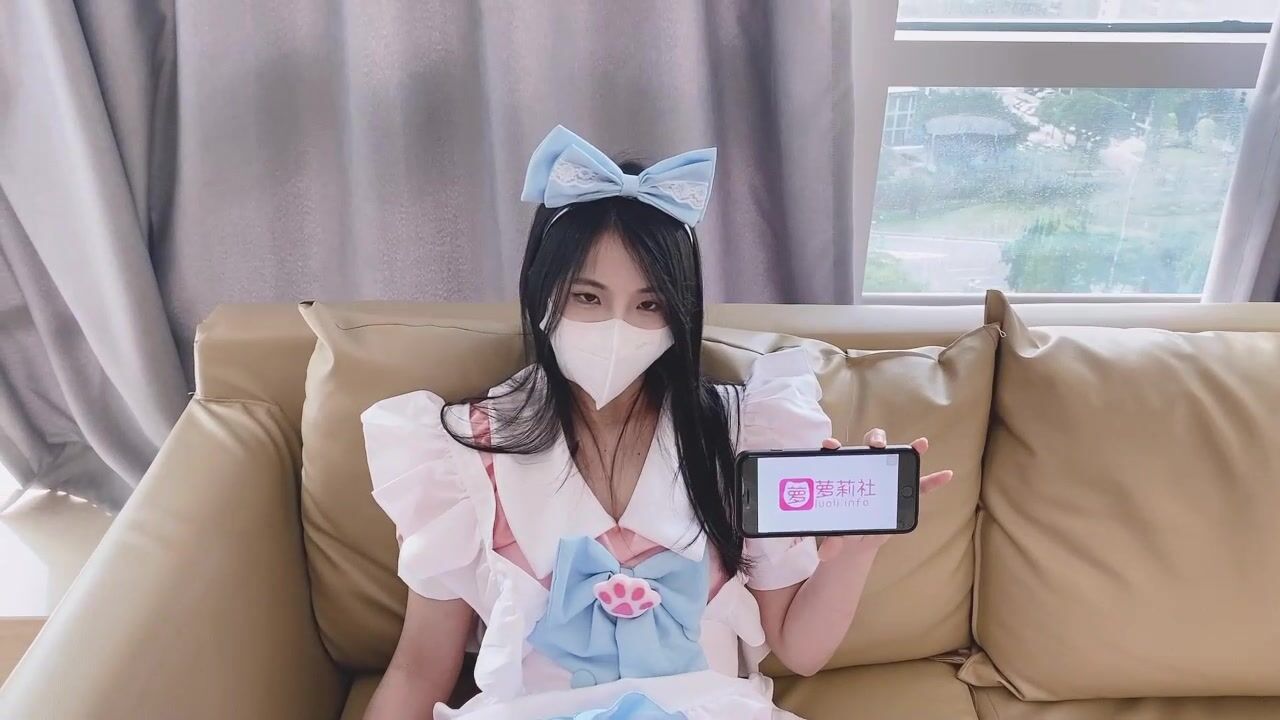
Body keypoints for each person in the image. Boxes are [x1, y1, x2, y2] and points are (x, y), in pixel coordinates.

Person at [360, 127, 953, 720]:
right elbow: (418, 668)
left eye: (649, 305)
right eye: (587, 297)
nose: (617, 327)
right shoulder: (462, 455)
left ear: (680, 314)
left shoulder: (744, 432)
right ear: (543, 291)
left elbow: (799, 650)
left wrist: (857, 550)